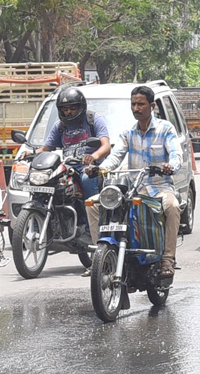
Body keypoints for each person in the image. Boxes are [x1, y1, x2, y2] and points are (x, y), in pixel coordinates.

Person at [99, 85, 183, 279]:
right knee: (95, 204)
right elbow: (115, 156)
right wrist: (101, 168)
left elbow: (176, 154)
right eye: (133, 104)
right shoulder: (128, 132)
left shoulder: (165, 128)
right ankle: (103, 255)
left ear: (151, 105)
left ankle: (167, 259)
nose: (136, 108)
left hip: (159, 187)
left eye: (141, 104)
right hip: (133, 189)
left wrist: (170, 166)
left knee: (172, 206)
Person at [41, 87, 111, 247]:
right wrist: (31, 153)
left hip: (89, 167)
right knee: (47, 181)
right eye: (65, 109)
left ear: (81, 107)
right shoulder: (60, 126)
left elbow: (106, 146)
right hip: (68, 167)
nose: (69, 112)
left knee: (87, 179)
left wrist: (93, 157)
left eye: (73, 108)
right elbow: (46, 147)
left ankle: (90, 227)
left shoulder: (93, 120)